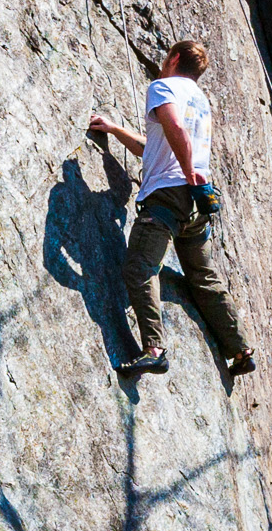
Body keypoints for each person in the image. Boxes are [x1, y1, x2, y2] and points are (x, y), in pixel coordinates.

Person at [86, 39, 255, 383]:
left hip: (169, 196)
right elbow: (154, 147)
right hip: (197, 203)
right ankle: (240, 350)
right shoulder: (200, 101)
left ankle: (154, 350)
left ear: (174, 58)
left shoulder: (163, 87)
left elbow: (176, 129)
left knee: (140, 267)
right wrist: (115, 130)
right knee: (203, 277)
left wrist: (188, 173)